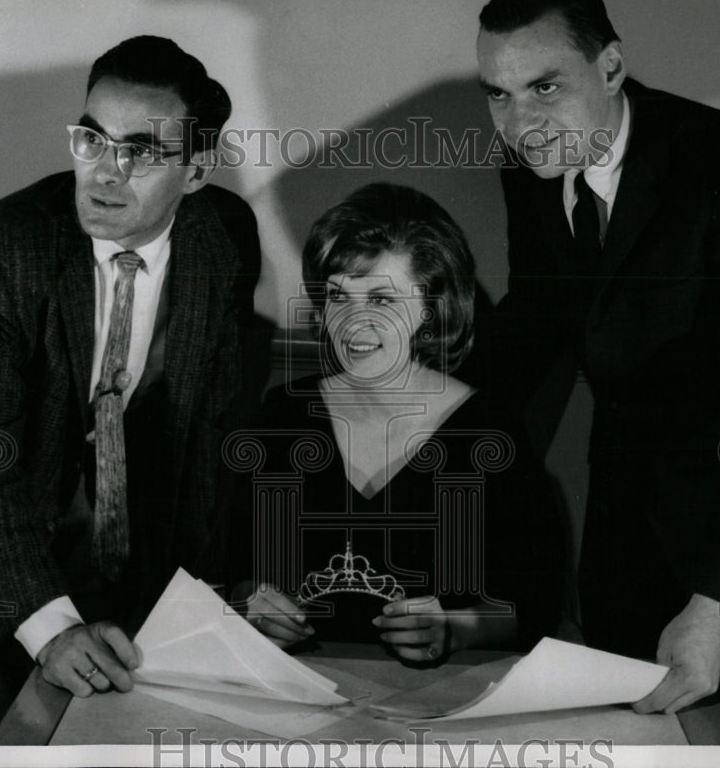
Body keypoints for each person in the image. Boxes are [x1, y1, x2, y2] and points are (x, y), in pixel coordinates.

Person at [474, 0, 720, 745]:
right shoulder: (534, 161)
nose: (520, 122)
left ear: (611, 68)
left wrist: (717, 605)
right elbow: (536, 319)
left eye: (545, 85)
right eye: (498, 94)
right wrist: (417, 435)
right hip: (635, 520)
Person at [0, 35, 260, 745]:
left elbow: (205, 439)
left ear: (195, 172)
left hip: (122, 569)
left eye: (144, 151)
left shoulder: (224, 238)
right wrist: (51, 627)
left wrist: (207, 600)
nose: (104, 174)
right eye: (92, 138)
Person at [227, 183, 563, 661]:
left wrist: (457, 629)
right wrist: (250, 604)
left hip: (436, 703)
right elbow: (232, 566)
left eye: (382, 300)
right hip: (293, 696)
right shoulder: (283, 413)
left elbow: (533, 605)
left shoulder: (490, 430)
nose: (353, 323)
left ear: (431, 309)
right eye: (338, 297)